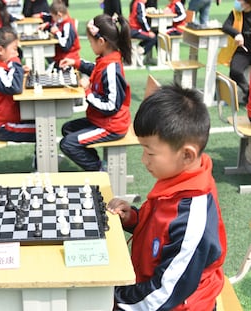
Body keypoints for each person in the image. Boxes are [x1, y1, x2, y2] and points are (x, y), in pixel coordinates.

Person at [107, 85, 227, 310]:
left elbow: (163, 295)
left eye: (150, 152)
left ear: (186, 154)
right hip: (151, 286)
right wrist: (134, 218)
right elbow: (161, 227)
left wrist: (113, 297)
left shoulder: (192, 219)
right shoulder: (179, 178)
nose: (144, 160)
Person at [59, 14, 132, 171]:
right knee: (67, 129)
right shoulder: (106, 59)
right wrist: (76, 63)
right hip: (100, 119)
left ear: (101, 42)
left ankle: (99, 169)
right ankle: (97, 162)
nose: (90, 45)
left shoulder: (112, 68)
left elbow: (111, 105)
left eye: (91, 42)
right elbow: (95, 69)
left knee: (67, 144)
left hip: (111, 125)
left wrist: (88, 91)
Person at [0, 26, 36, 143]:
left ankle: (41, 160)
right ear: (0, 50)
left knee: (43, 124)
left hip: (9, 121)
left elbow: (9, 79)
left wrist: (20, 71)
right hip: (3, 127)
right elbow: (15, 87)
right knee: (43, 130)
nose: (17, 53)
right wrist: (15, 63)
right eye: (14, 49)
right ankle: (42, 162)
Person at [220, 0, 251, 104]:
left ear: (247, 3)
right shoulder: (235, 13)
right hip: (243, 52)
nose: (236, 2)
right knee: (235, 71)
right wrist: (236, 34)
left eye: (239, 0)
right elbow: (225, 26)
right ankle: (248, 92)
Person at [38, 0, 80, 68]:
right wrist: (47, 26)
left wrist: (57, 33)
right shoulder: (60, 22)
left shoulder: (68, 25)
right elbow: (54, 26)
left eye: (53, 17)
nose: (53, 19)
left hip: (67, 58)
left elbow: (66, 46)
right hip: (60, 56)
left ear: (59, 15)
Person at [129, 0, 157, 65]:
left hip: (132, 29)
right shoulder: (140, 4)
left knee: (152, 36)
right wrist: (148, 31)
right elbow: (141, 19)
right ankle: (140, 52)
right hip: (135, 30)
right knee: (153, 37)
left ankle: (140, 49)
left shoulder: (135, 2)